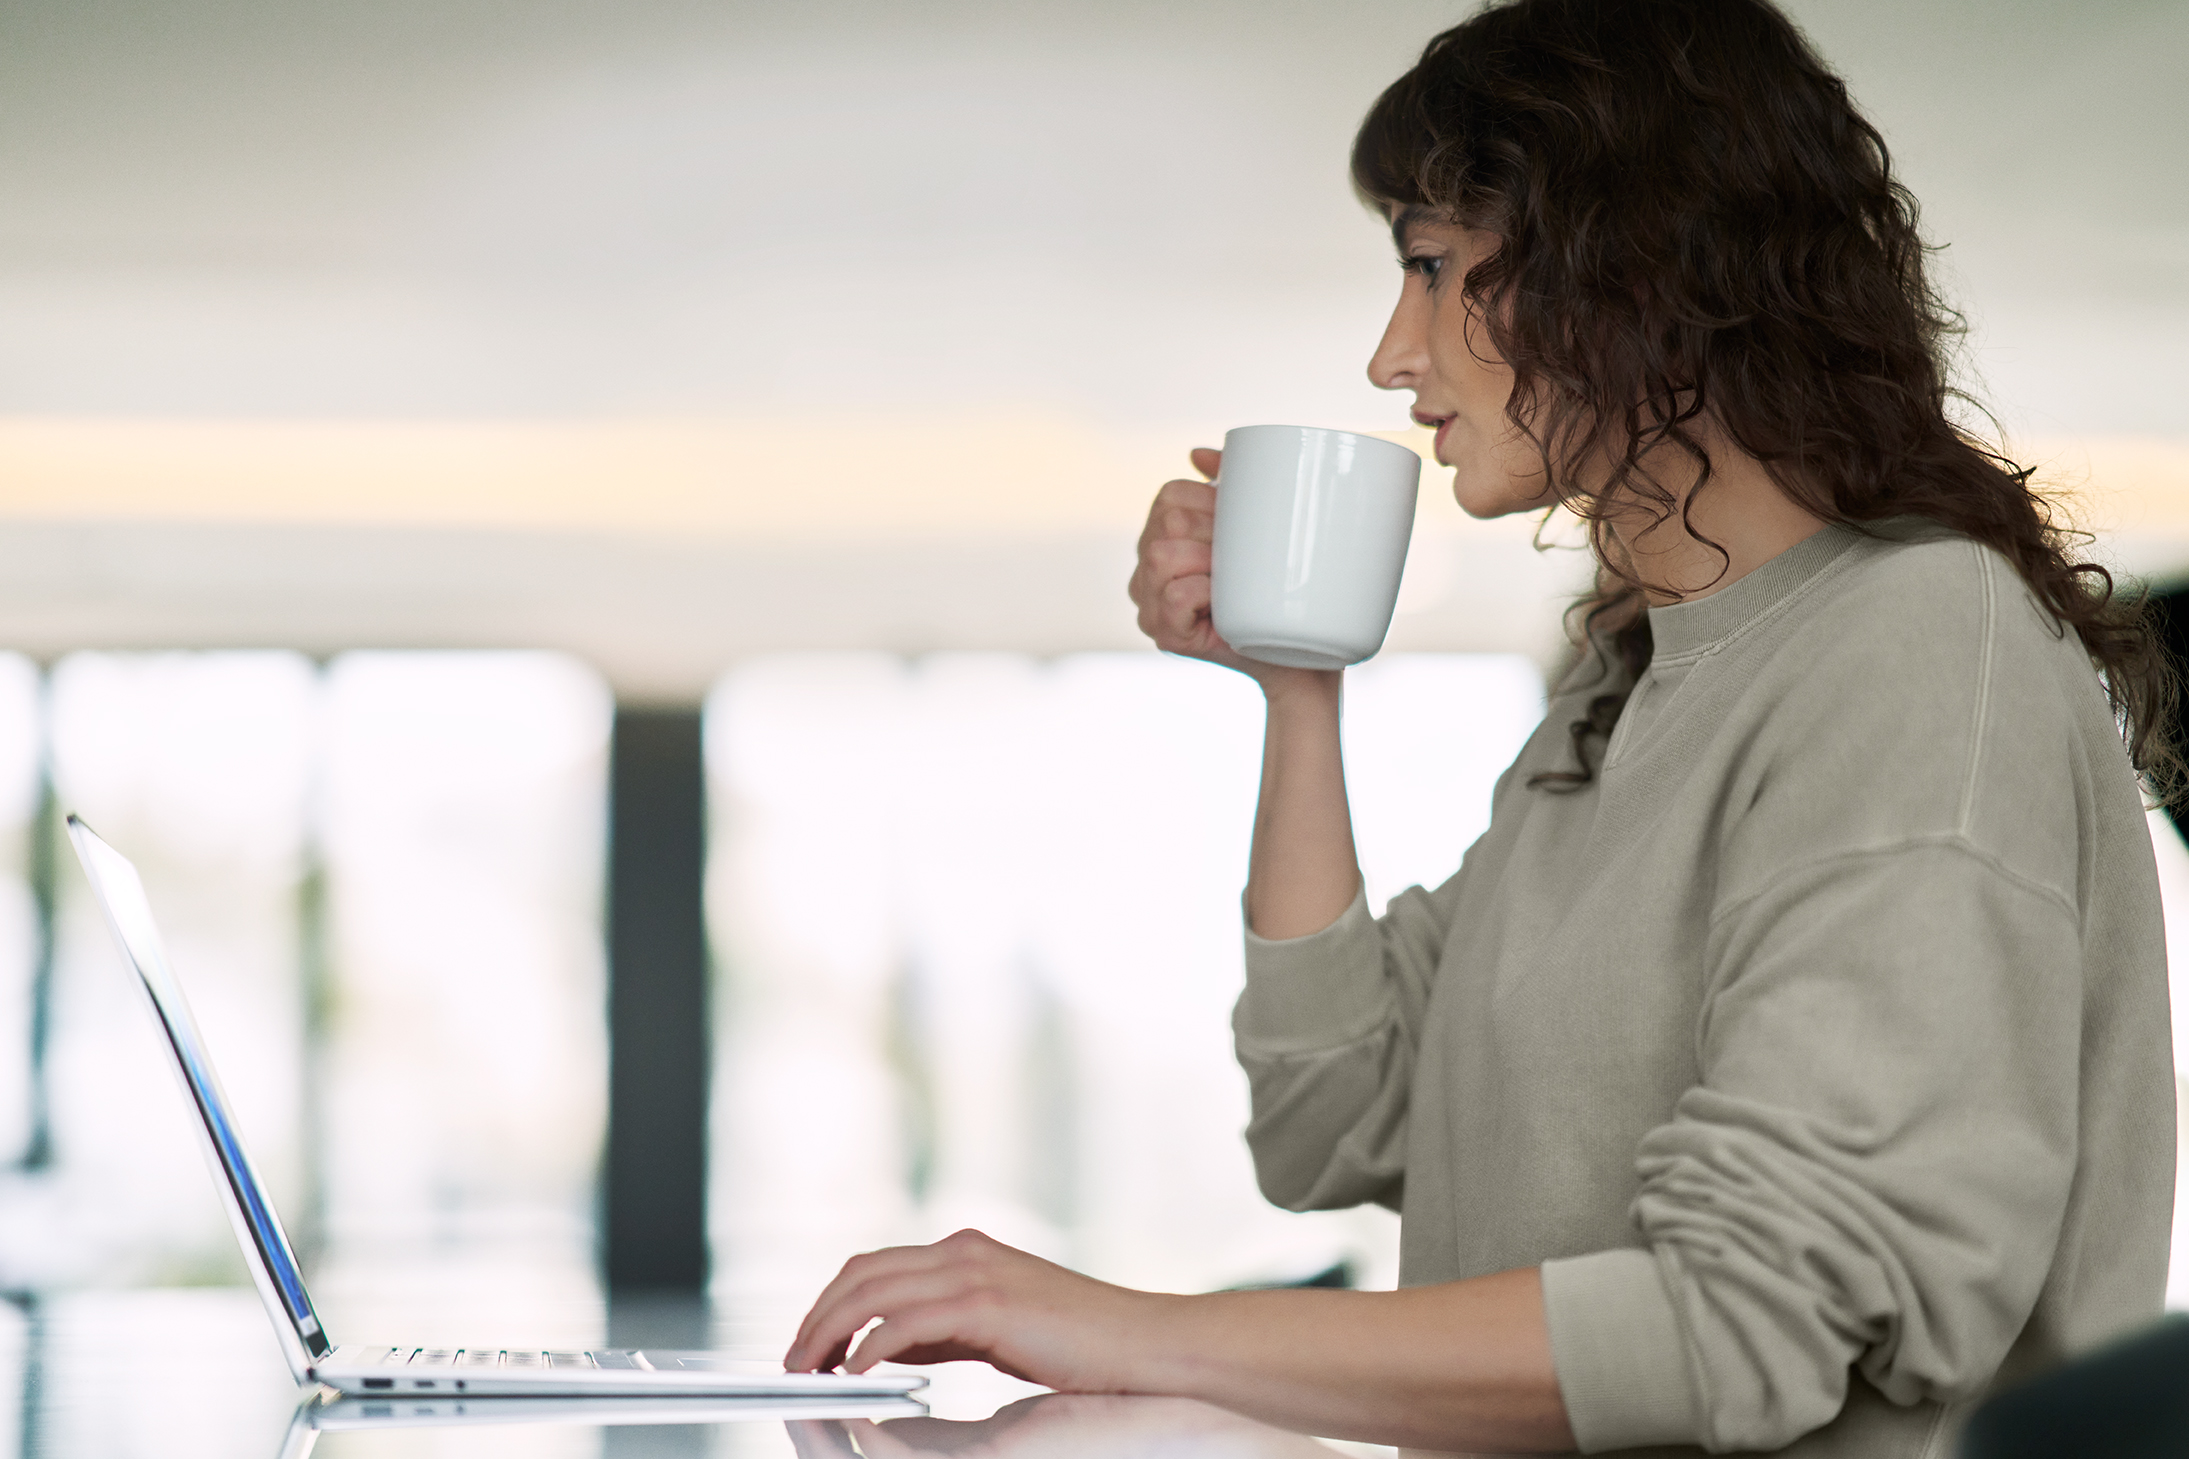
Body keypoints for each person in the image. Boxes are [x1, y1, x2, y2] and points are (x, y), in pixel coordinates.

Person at [784, 0, 2179, 1452]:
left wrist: (1129, 1329)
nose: (1393, 356)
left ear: (1638, 260)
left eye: (1433, 266)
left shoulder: (1912, 646)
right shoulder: (1627, 688)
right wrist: (1294, 686)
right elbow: (1335, 1117)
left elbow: (1754, 1315)